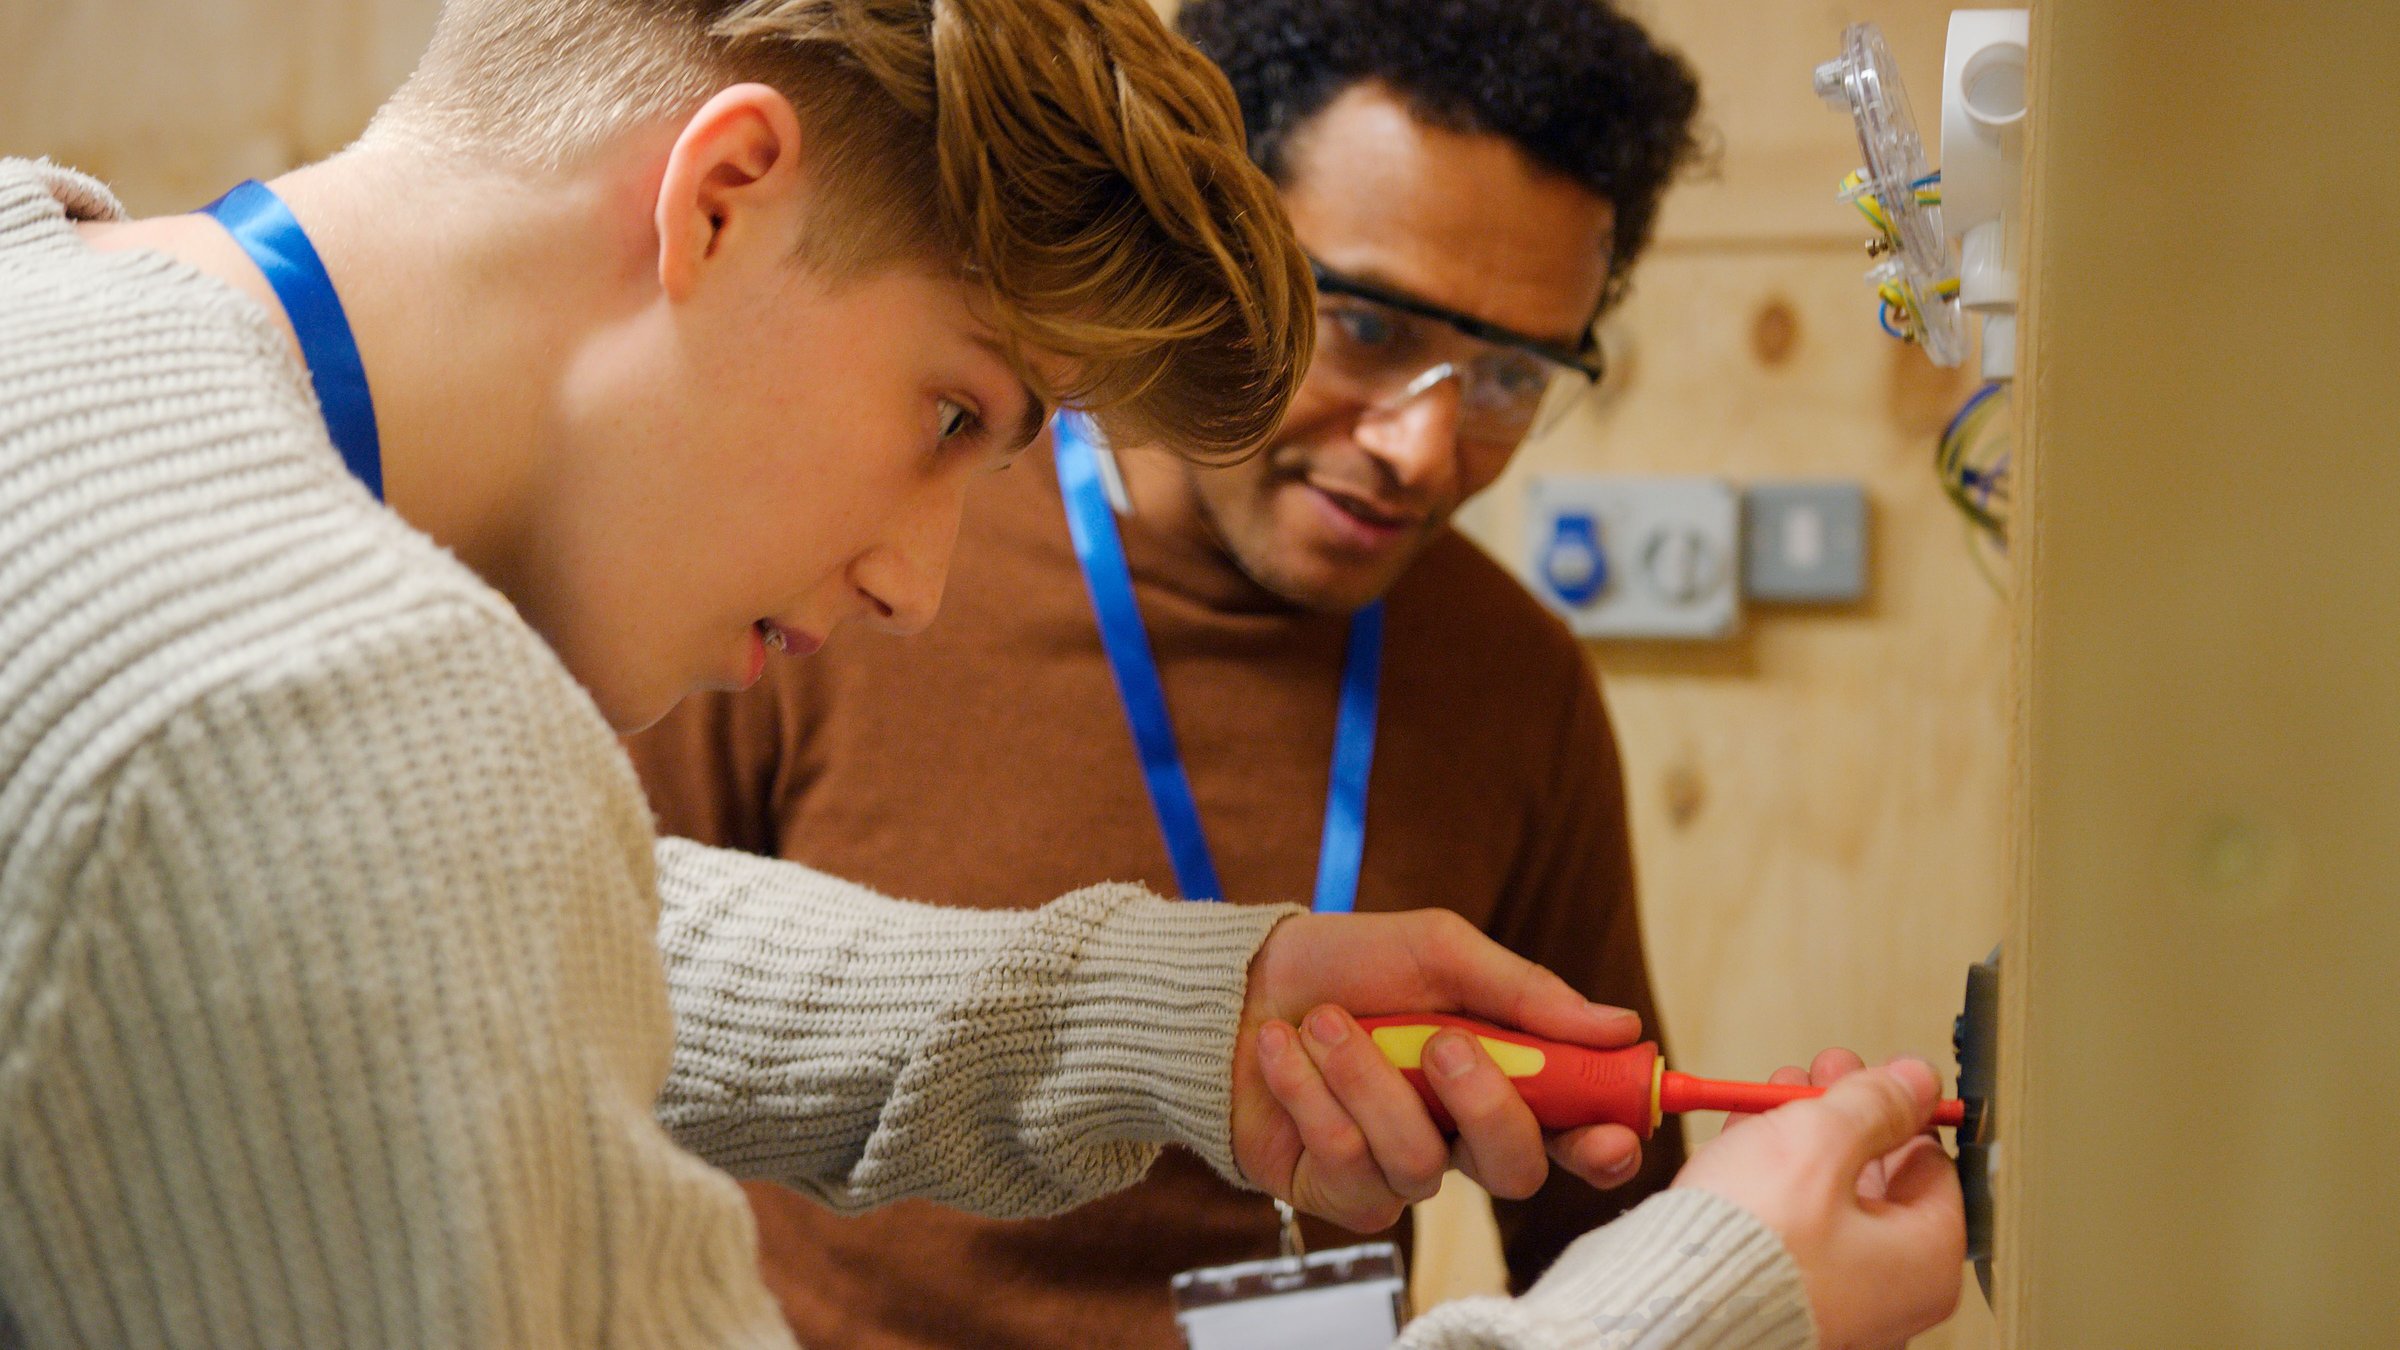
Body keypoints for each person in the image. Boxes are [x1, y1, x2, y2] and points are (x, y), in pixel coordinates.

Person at [0, 1, 1961, 1348]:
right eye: (955, 414)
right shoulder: (302, 714)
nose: (922, 584)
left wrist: (1172, 1011)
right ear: (720, 195)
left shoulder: (55, 300)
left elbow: (458, 906)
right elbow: (381, 837)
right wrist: (1703, 1303)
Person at [625, 0, 1709, 1340]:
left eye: (1506, 378)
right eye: (1366, 327)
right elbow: (597, 1033)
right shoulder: (845, 568)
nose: (1423, 450)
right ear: (1215, 254)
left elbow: (1614, 1218)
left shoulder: (1515, 681)